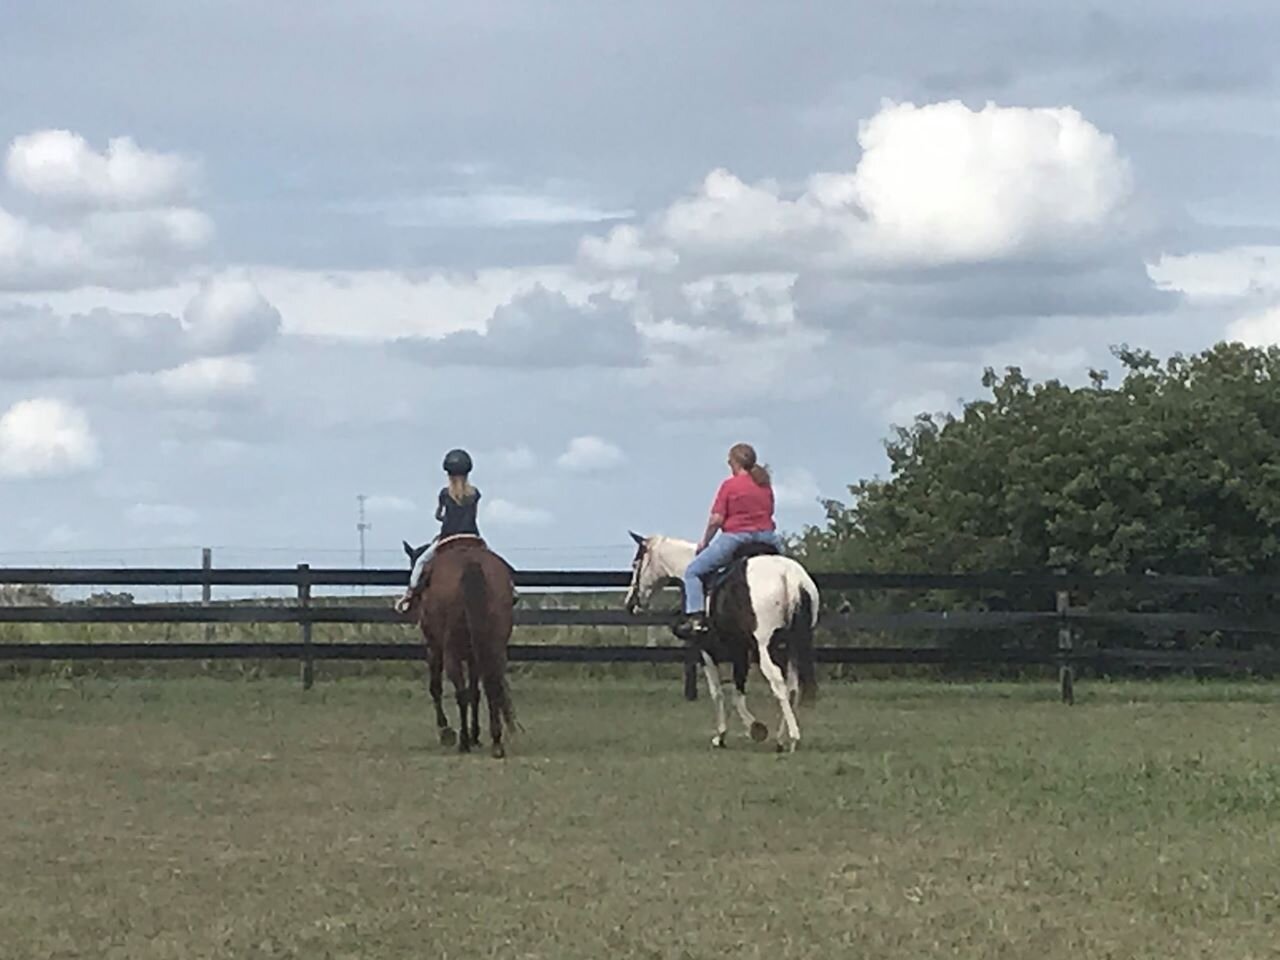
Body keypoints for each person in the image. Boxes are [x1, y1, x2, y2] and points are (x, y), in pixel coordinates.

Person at [674, 443, 784, 639]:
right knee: (787, 571)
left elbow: (716, 519)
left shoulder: (729, 485)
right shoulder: (764, 485)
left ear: (734, 462)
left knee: (693, 572)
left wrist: (704, 542)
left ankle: (696, 619)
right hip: (768, 538)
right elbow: (770, 511)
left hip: (737, 537)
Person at [396, 448, 481, 613]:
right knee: (496, 559)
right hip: (472, 536)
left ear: (448, 473)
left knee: (420, 562)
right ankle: (510, 587)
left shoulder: (445, 493)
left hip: (448, 537)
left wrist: (443, 518)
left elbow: (440, 515)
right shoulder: (474, 493)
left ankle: (409, 595)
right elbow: (474, 516)